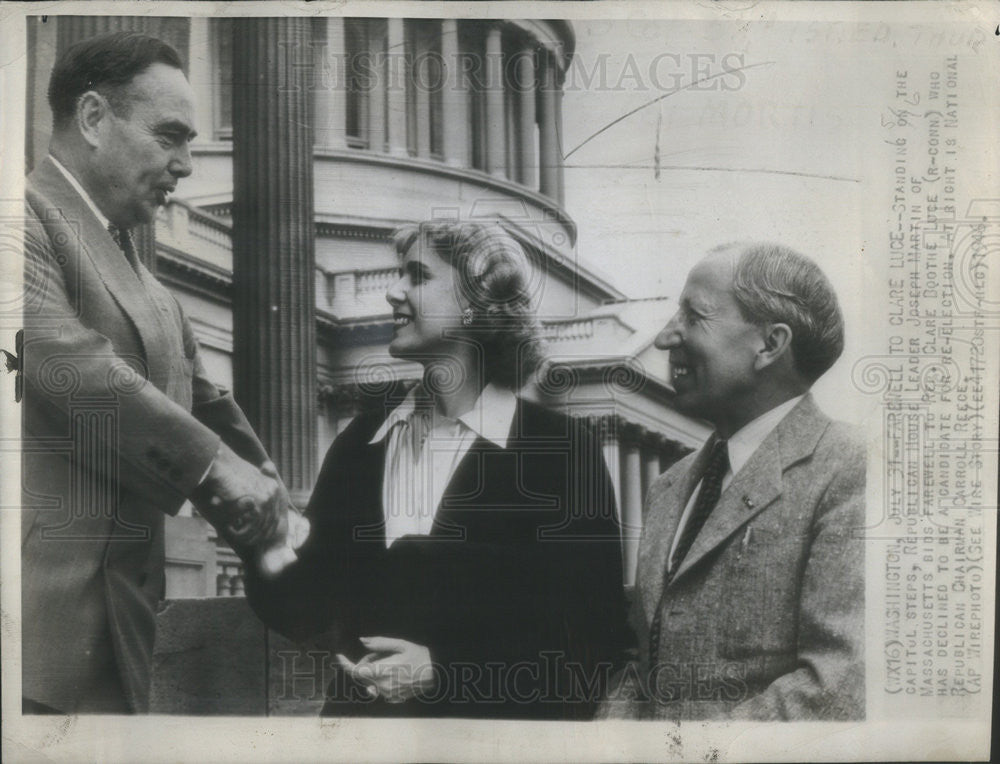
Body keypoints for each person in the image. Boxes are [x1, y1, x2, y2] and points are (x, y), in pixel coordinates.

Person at [21, 31, 300, 715]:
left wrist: (291, 529)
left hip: (122, 645)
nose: (184, 165)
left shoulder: (154, 290)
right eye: (169, 137)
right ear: (92, 118)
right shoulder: (16, 219)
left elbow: (212, 412)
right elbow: (65, 364)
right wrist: (218, 473)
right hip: (30, 645)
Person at [247, 220, 627, 719]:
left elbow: (593, 647)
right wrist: (265, 539)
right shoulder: (360, 443)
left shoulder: (560, 451)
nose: (392, 292)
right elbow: (306, 609)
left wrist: (445, 671)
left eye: (417, 276)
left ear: (477, 301)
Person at [601, 242, 865, 720]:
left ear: (769, 344)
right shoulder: (670, 486)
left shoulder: (850, 469)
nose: (664, 338)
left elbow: (835, 688)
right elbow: (642, 665)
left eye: (694, 316)